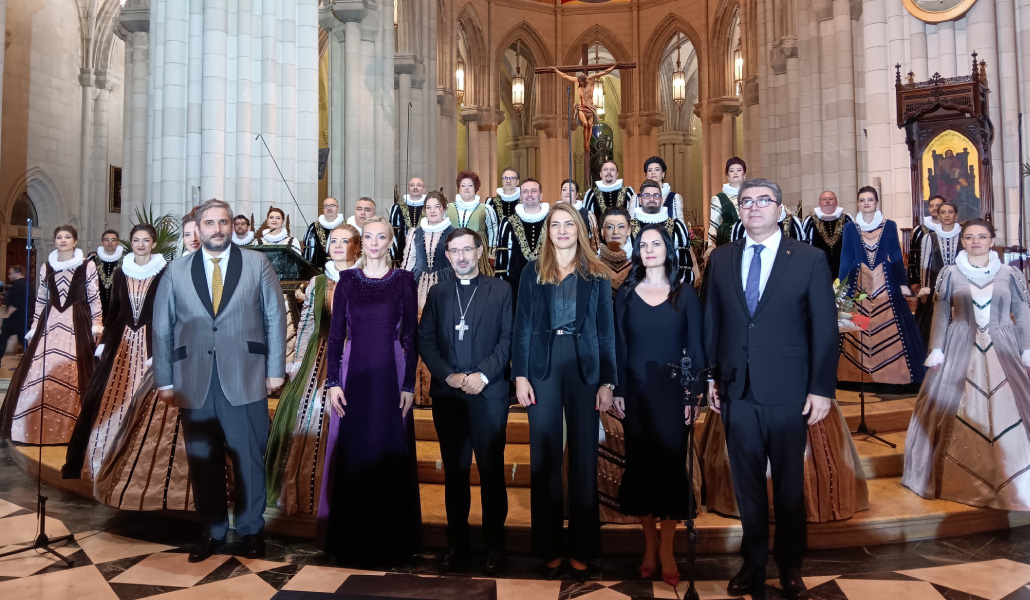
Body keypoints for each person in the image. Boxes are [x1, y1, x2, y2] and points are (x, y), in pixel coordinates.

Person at [703, 178, 839, 600]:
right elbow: (712, 321)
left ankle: (790, 565)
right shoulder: (721, 258)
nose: (754, 208)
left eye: (763, 201)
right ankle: (754, 561)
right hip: (736, 388)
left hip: (788, 390)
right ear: (738, 210)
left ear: (780, 209)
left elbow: (825, 328)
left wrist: (821, 388)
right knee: (747, 484)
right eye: (746, 202)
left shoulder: (809, 259)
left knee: (788, 484)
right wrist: (710, 376)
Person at [152, 198, 287, 562]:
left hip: (245, 376)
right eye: (209, 223)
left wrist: (275, 369)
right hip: (193, 379)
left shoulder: (258, 263)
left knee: (248, 458)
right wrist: (164, 378)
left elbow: (275, 317)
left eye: (223, 222)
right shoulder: (176, 271)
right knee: (203, 460)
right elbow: (162, 327)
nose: (217, 229)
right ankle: (212, 533)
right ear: (197, 228)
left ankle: (250, 530)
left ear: (232, 226)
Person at [511, 203, 616, 581]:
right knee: (545, 455)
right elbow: (522, 326)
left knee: (584, 456)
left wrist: (608, 380)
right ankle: (549, 546)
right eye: (555, 224)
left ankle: (584, 546)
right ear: (547, 231)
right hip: (542, 365)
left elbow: (607, 332)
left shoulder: (598, 274)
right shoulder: (531, 272)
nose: (561, 230)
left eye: (568, 224)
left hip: (584, 365)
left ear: (580, 230)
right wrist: (519, 376)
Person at [903, 218, 1030, 510]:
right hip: (961, 343)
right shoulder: (950, 274)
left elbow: (1022, 314)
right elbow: (941, 313)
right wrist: (936, 349)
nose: (976, 241)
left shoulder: (1009, 274)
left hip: (1003, 345)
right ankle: (960, 478)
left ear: (991, 240)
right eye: (970, 237)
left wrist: (1027, 349)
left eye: (982, 237)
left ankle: (1017, 479)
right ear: (963, 241)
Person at [321, 216, 421, 566]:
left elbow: (411, 336)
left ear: (390, 241)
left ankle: (392, 542)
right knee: (357, 450)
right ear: (360, 241)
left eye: (382, 236)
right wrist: (333, 381)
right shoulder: (347, 280)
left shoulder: (404, 280)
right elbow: (336, 336)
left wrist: (409, 384)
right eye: (369, 236)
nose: (375, 242)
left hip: (391, 373)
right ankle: (352, 541)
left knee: (388, 448)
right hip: (356, 374)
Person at [612, 224, 705, 586]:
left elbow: (696, 346)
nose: (649, 249)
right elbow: (618, 345)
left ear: (668, 249)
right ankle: (648, 544)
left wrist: (692, 392)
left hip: (672, 394)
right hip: (635, 391)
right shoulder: (626, 293)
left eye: (656, 244)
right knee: (642, 467)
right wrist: (616, 388)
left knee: (669, 468)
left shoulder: (685, 294)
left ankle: (667, 547)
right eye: (643, 245)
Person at [419, 228, 513, 575]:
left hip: (489, 394)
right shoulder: (438, 293)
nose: (460, 257)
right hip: (450, 394)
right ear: (446, 255)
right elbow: (425, 340)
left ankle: (495, 546)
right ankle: (457, 545)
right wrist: (449, 376)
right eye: (454, 251)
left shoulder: (501, 289)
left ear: (479, 252)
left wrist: (482, 376)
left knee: (491, 472)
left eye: (466, 250)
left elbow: (508, 338)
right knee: (455, 472)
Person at [266, 223, 360, 517]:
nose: (337, 245)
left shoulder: (363, 279)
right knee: (307, 413)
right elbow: (307, 324)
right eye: (334, 240)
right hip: (318, 357)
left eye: (345, 241)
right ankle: (303, 488)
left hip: (355, 357)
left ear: (356, 246)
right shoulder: (319, 281)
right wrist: (296, 362)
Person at [63, 224, 168, 483]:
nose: (141, 244)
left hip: (152, 343)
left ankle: (143, 464)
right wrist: (106, 340)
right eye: (136, 240)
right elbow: (114, 309)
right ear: (130, 242)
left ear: (153, 243)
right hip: (122, 344)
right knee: (108, 397)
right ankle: (101, 457)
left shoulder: (165, 272)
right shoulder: (122, 272)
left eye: (146, 240)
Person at [0, 225, 102, 445]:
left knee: (75, 369)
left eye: (67, 237)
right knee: (40, 369)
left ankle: (73, 428)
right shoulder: (47, 266)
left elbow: (94, 298)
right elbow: (40, 299)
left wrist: (97, 325)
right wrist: (36, 325)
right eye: (59, 237)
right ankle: (31, 427)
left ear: (75, 241)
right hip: (50, 321)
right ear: (54, 241)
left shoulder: (87, 265)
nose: (63, 240)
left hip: (77, 321)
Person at [838, 186, 926, 387]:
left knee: (890, 323)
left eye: (870, 199)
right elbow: (846, 258)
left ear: (876, 202)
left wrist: (902, 282)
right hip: (857, 283)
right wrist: (842, 288)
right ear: (858, 203)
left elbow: (895, 255)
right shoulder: (851, 228)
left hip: (884, 282)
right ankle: (854, 374)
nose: (866, 203)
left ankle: (892, 374)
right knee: (856, 324)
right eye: (862, 200)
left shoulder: (889, 225)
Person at [401, 191, 454, 406]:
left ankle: (440, 386)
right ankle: (415, 389)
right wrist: (400, 286)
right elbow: (408, 260)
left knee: (441, 335)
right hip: (418, 285)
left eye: (436, 207)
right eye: (429, 207)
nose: (432, 211)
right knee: (416, 335)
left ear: (443, 209)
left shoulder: (453, 233)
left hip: (445, 284)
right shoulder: (415, 233)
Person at [495, 178, 549, 310]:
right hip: (516, 285)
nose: (529, 195)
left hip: (548, 281)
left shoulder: (552, 219)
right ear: (521, 196)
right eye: (525, 191)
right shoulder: (507, 222)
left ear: (541, 195)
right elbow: (501, 257)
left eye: (534, 191)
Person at [631, 180, 697, 286]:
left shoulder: (676, 227)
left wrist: (676, 291)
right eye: (647, 196)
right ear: (640, 199)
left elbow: (684, 266)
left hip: (670, 290)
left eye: (656, 195)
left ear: (661, 200)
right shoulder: (628, 227)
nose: (651, 199)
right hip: (636, 289)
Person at [915, 201, 961, 346]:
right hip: (937, 288)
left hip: (960, 287)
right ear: (938, 215)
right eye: (943, 212)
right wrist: (925, 289)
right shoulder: (930, 237)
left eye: (950, 212)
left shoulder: (964, 236)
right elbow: (925, 264)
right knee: (934, 322)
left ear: (956, 215)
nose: (947, 215)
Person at [449, 171, 497, 275]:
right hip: (454, 251)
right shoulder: (448, 208)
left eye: (470, 185)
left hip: (478, 251)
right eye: (463, 185)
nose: (466, 188)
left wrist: (491, 254)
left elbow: (493, 231)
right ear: (459, 187)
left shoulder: (486, 209)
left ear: (476, 188)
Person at [802, 190, 853, 276]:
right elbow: (803, 246)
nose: (827, 202)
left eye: (831, 199)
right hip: (818, 269)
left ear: (836, 202)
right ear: (819, 203)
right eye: (824, 199)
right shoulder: (810, 222)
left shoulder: (847, 220)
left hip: (843, 269)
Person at [706, 157, 746, 258]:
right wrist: (711, 246)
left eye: (739, 170)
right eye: (731, 171)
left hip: (749, 239)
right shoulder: (719, 198)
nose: (735, 173)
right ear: (727, 176)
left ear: (744, 175)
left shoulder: (751, 195)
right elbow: (714, 225)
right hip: (728, 242)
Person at [908, 195, 944, 287]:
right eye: (931, 206)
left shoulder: (952, 229)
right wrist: (914, 280)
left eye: (937, 205)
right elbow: (913, 256)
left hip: (946, 276)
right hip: (925, 277)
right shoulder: (918, 230)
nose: (934, 208)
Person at [391, 177, 427, 265]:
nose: (415, 187)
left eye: (418, 185)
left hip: (425, 256)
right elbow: (392, 233)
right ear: (408, 188)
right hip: (401, 256)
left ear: (423, 189)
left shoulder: (429, 208)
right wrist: (392, 256)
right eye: (412, 185)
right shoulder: (397, 208)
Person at [597, 207, 633, 295]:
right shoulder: (593, 264)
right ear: (602, 232)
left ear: (629, 231)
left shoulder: (640, 262)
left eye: (621, 226)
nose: (615, 232)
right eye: (610, 227)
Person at [303, 197, 345, 270]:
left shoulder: (346, 227)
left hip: (341, 269)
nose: (329, 208)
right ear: (323, 209)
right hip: (318, 270)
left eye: (332, 206)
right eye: (326, 206)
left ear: (338, 209)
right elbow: (307, 250)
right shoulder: (313, 227)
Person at [558, 178, 599, 251]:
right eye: (564, 189)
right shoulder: (553, 214)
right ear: (560, 194)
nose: (568, 192)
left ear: (576, 194)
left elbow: (594, 241)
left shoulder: (587, 214)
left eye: (572, 190)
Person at [0, 266, 32, 355]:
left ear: (17, 272)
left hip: (13, 318)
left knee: (2, 339)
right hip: (22, 317)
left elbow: (16, 303)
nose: (9, 276)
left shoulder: (18, 285)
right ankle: (33, 358)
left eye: (11, 273)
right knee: (22, 340)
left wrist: (7, 314)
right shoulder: (27, 284)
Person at [91, 229, 123, 316]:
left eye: (113, 240)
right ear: (102, 242)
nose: (110, 242)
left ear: (118, 242)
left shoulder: (126, 261)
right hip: (97, 305)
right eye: (107, 240)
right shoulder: (92, 260)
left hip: (119, 306)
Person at [642, 156, 684, 222]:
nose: (653, 172)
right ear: (646, 175)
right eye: (650, 170)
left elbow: (679, 225)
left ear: (663, 174)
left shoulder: (673, 198)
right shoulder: (637, 198)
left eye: (657, 169)